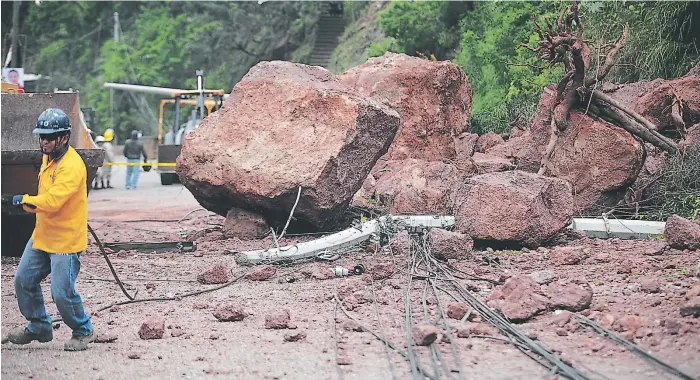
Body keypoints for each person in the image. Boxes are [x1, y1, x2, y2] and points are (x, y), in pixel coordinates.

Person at [6, 108, 95, 351]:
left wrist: (20, 199)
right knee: (23, 280)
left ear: (64, 138)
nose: (43, 141)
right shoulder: (50, 156)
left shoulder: (72, 166)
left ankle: (83, 330)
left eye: (48, 137)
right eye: (41, 136)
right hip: (43, 235)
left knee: (62, 292)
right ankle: (40, 327)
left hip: (65, 241)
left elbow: (53, 201)